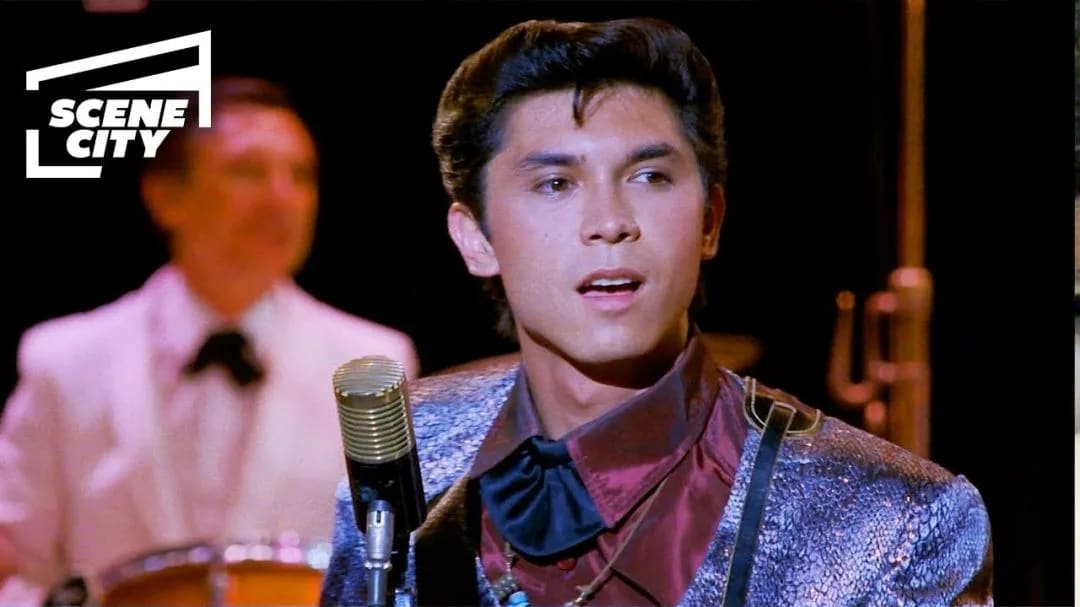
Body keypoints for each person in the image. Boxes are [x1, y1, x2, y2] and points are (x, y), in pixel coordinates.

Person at [320, 17, 993, 607]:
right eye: (555, 183)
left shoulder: (892, 520)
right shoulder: (405, 459)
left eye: (649, 177)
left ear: (710, 220)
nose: (610, 222)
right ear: (475, 238)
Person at [0, 76, 420, 605]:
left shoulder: (371, 363)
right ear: (166, 197)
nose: (281, 198)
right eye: (248, 171)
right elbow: (17, 572)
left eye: (301, 176)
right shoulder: (64, 362)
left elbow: (397, 567)